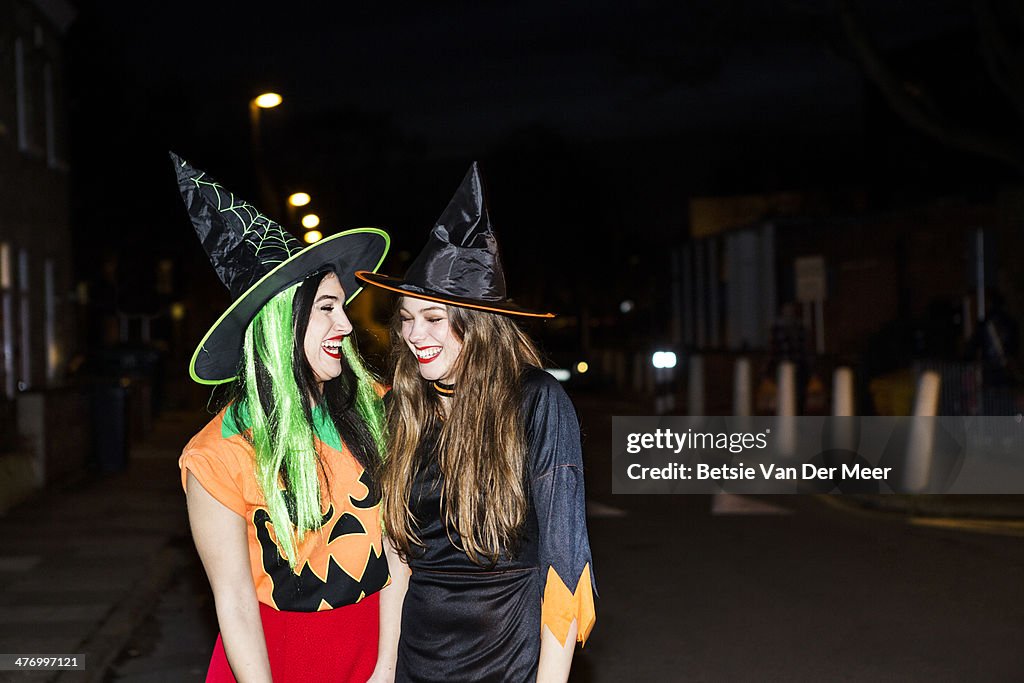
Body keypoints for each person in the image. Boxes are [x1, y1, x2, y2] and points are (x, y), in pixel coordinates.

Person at [356, 162, 596, 682]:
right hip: (418, 659)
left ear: (477, 325)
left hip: (506, 659)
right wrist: (385, 665)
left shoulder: (536, 401)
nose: (416, 335)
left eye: (434, 319)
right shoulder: (405, 406)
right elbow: (398, 560)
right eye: (407, 318)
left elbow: (564, 566)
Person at [169, 152, 399, 682]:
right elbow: (234, 604)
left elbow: (400, 552)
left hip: (377, 650)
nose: (345, 323)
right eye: (326, 308)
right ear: (280, 325)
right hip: (273, 665)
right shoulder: (216, 456)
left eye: (343, 307)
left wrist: (386, 665)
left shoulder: (379, 410)